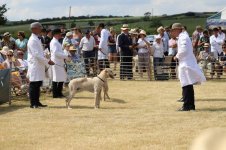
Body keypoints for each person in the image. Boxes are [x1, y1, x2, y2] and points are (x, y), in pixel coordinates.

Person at [172, 23, 206, 111]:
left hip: (185, 64)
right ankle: (190, 105)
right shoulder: (183, 36)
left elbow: (184, 49)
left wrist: (177, 56)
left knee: (186, 85)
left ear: (177, 30)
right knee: (188, 85)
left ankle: (187, 106)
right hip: (186, 63)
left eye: (173, 30)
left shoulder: (183, 37)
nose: (172, 32)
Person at [27, 22, 55, 109]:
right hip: (35, 65)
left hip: (39, 65)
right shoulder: (32, 40)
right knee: (34, 84)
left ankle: (37, 101)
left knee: (38, 83)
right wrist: (48, 61)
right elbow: (36, 55)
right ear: (34, 29)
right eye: (39, 27)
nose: (41, 29)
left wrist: (45, 55)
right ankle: (33, 103)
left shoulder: (37, 39)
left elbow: (40, 52)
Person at [50, 29, 70, 98]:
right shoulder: (54, 42)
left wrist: (65, 55)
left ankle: (59, 92)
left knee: (61, 78)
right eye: (59, 33)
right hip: (56, 62)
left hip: (59, 62)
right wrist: (65, 56)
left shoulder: (56, 42)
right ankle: (55, 94)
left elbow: (59, 52)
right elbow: (56, 53)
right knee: (56, 78)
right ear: (55, 34)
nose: (60, 35)